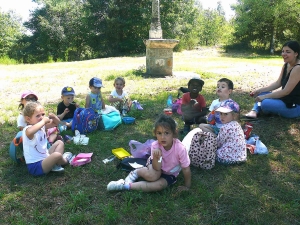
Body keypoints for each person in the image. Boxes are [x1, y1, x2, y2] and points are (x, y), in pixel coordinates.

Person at [107, 114, 191, 192]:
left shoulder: (180, 148)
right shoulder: (155, 145)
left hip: (170, 173)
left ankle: (125, 186)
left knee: (160, 185)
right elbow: (157, 168)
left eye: (167, 133)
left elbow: (186, 169)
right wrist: (158, 157)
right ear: (155, 134)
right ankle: (136, 172)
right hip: (156, 166)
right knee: (153, 176)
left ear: (174, 133)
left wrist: (187, 186)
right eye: (159, 133)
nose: (162, 137)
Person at [245, 40, 300, 119]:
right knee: (262, 93)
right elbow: (278, 83)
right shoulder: (286, 65)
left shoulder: (298, 68)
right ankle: (255, 110)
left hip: (294, 106)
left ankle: (259, 109)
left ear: (296, 53)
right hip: (285, 100)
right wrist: (260, 90)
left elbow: (286, 91)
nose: (284, 54)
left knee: (265, 102)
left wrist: (264, 97)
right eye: (283, 51)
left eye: (288, 52)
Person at [22, 101, 73, 176]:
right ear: (28, 119)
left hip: (45, 157)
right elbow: (29, 132)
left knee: (59, 142)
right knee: (57, 155)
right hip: (36, 166)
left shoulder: (42, 126)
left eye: (43, 114)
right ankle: (65, 160)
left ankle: (55, 165)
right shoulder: (28, 129)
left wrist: (54, 117)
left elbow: (56, 124)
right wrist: (43, 121)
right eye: (38, 116)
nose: (41, 117)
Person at [215, 99, 247, 164]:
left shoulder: (225, 127)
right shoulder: (237, 125)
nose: (222, 117)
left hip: (226, 158)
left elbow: (218, 143)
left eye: (226, 114)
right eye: (221, 113)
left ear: (234, 116)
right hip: (241, 157)